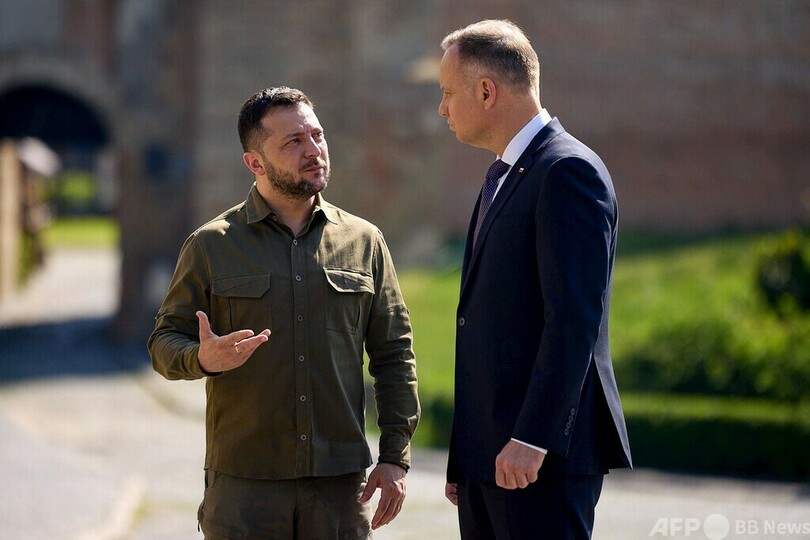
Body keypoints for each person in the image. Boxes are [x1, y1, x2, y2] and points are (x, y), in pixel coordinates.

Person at [148, 86, 419, 539]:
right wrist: (201, 358)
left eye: (317, 135)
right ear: (255, 163)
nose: (313, 150)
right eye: (293, 141)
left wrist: (395, 457)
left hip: (338, 488)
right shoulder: (211, 245)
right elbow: (163, 342)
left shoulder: (364, 242)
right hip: (244, 490)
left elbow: (394, 355)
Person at [437, 20, 632, 539]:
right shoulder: (504, 175)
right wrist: (466, 453)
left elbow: (573, 320)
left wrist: (534, 438)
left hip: (538, 460)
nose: (442, 108)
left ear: (486, 92)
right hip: (491, 459)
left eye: (448, 93)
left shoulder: (567, 171)